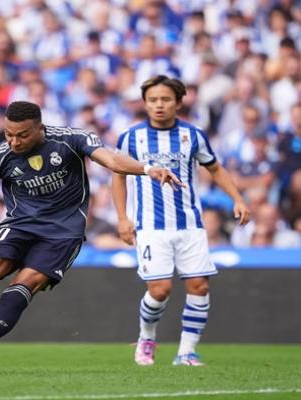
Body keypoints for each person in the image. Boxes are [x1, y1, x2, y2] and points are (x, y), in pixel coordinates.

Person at [0, 101, 182, 375]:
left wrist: (147, 169)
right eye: (9, 134)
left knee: (20, 288)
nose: (14, 142)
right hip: (19, 226)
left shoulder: (71, 139)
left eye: (22, 135)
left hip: (62, 234)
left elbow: (111, 160)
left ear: (40, 128)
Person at [112, 75, 251, 367]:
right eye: (153, 100)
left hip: (190, 225)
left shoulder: (193, 135)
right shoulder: (130, 137)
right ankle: (146, 337)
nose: (159, 105)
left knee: (199, 286)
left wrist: (238, 198)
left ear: (178, 103)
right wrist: (123, 218)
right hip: (151, 226)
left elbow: (215, 168)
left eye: (165, 99)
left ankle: (187, 352)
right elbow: (118, 177)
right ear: (145, 103)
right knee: (159, 290)